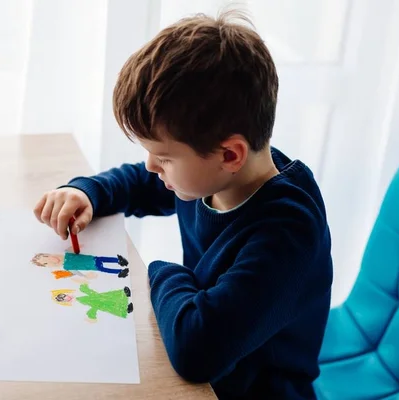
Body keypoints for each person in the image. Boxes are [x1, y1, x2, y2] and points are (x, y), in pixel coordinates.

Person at [34, 9, 332, 399]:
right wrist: (88, 192)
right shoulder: (216, 174)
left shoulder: (288, 233)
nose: (151, 165)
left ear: (230, 155)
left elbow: (197, 349)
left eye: (165, 157)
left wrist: (158, 270)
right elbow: (142, 181)